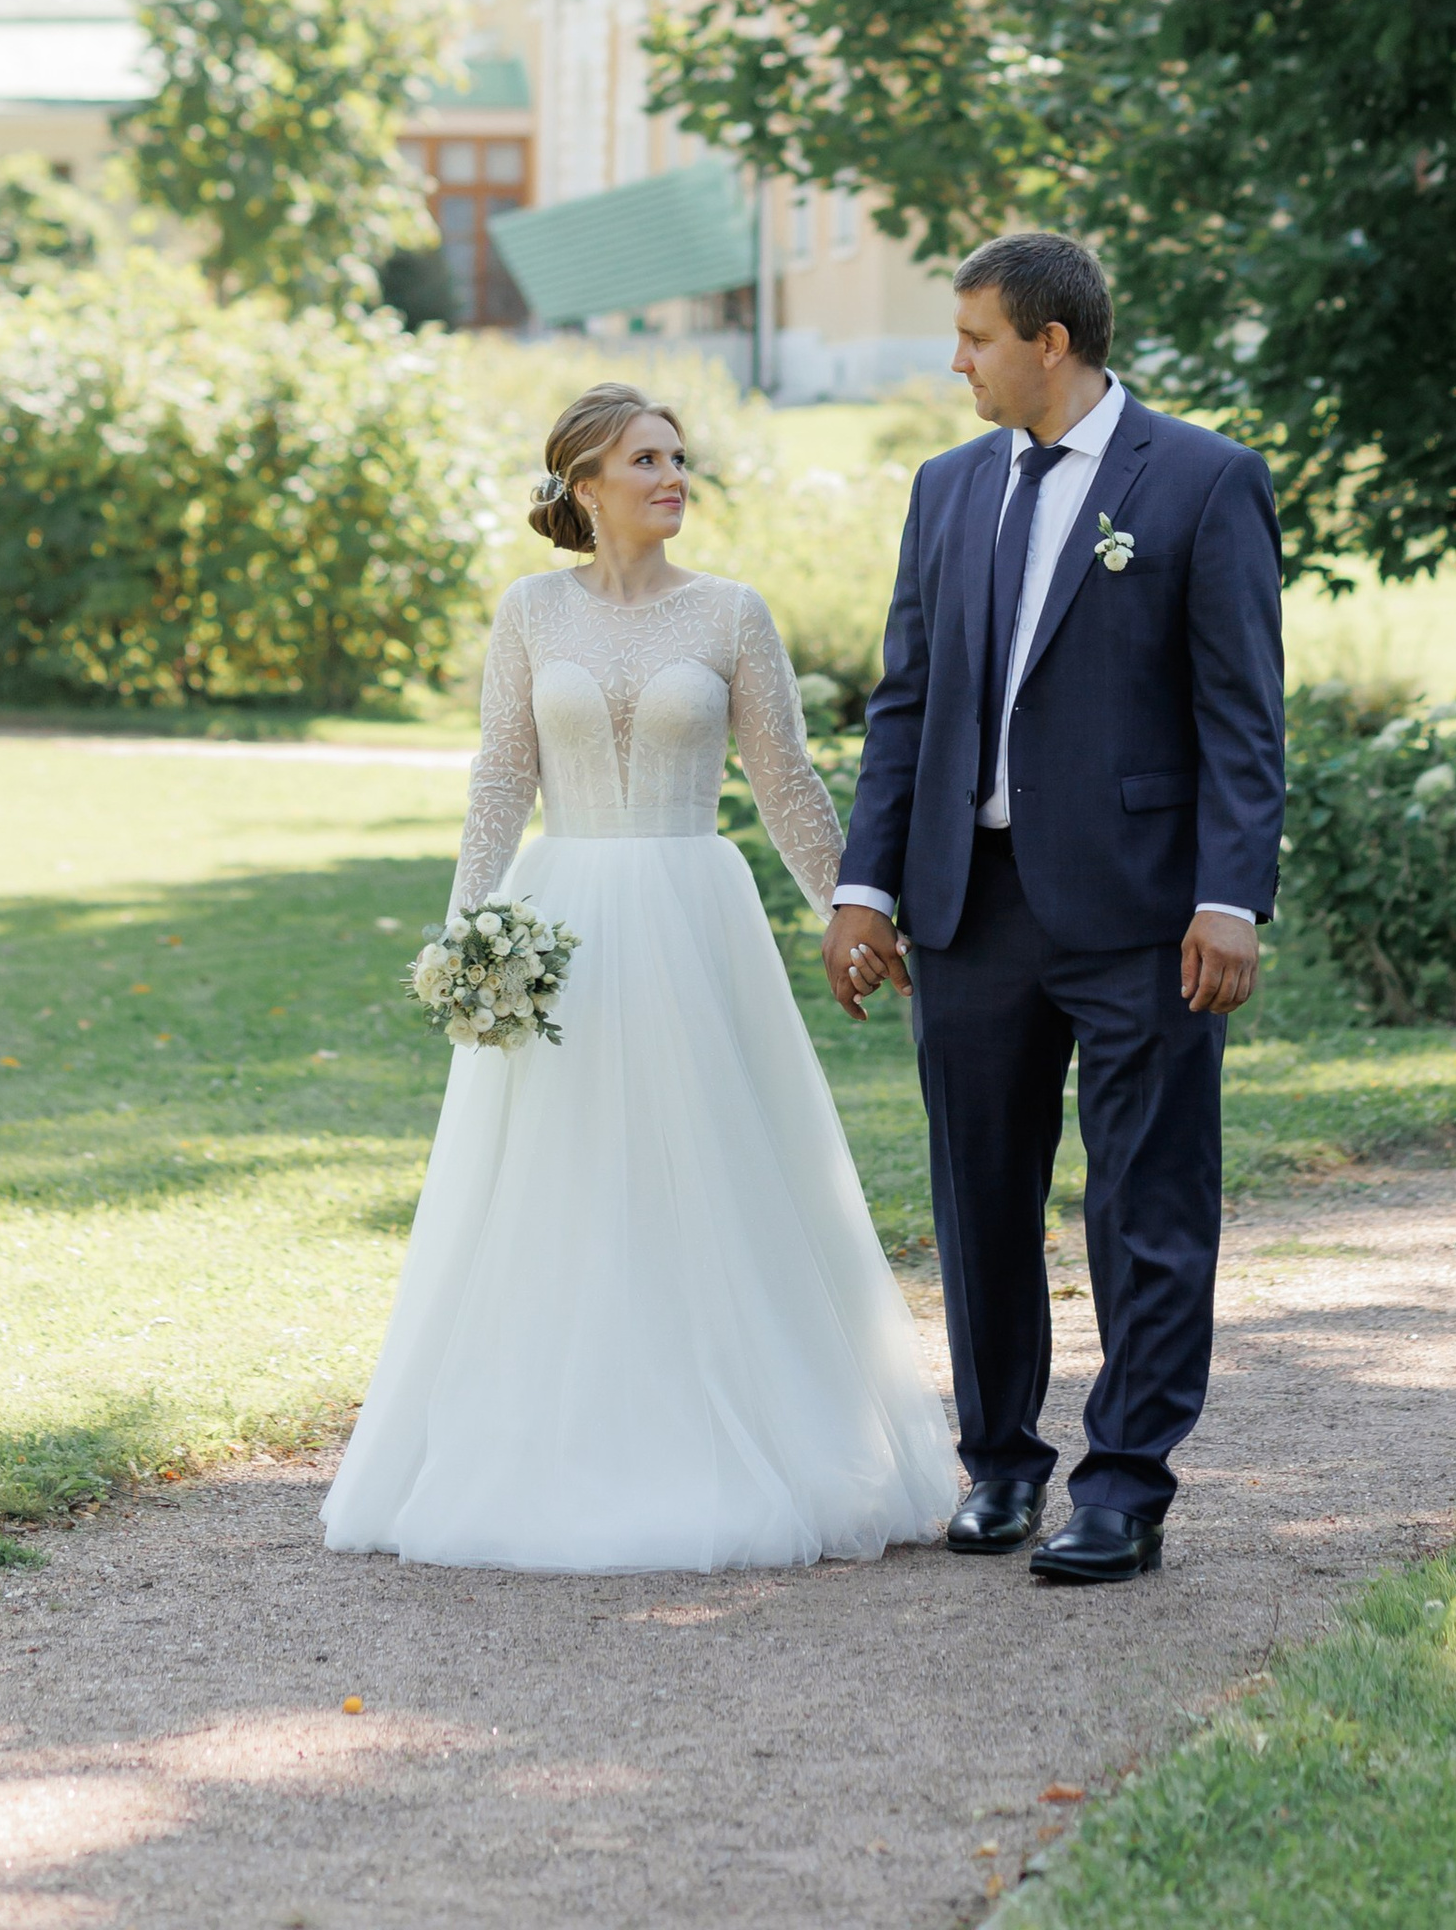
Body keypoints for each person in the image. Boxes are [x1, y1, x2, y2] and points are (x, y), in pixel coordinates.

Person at [323, 385, 955, 1574]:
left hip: (691, 917)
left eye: (679, 456)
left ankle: (746, 1426)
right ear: (584, 485)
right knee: (554, 1186)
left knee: (712, 1166)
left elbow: (787, 786)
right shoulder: (527, 611)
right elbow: (500, 780)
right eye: (644, 458)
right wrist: (465, 933)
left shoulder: (728, 614)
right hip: (560, 926)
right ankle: (553, 1438)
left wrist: (851, 910)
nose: (672, 476)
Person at [823, 231, 1285, 1586]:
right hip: (970, 910)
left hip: (1144, 913)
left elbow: (1242, 717)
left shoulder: (1200, 480)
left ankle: (1127, 1486)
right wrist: (866, 887)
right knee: (980, 1200)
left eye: (974, 337)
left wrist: (1228, 897)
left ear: (1051, 343)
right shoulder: (950, 487)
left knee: (1146, 1204)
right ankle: (1002, 1467)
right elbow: (905, 702)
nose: (954, 360)